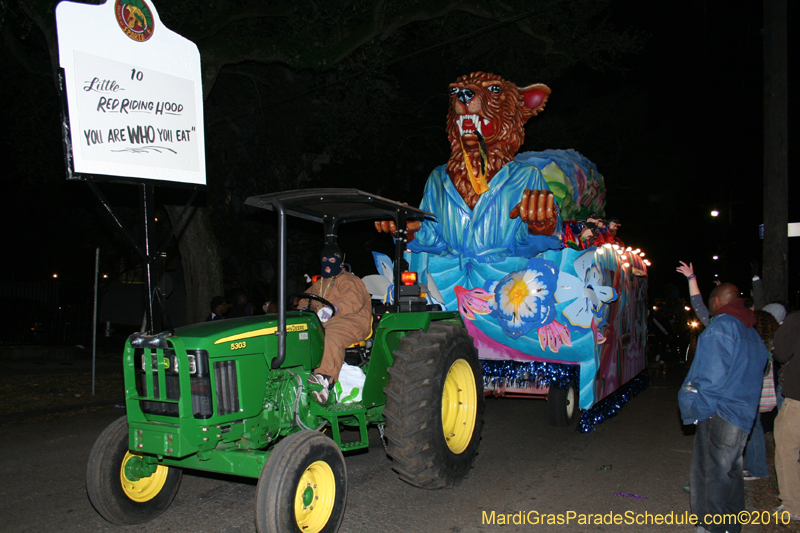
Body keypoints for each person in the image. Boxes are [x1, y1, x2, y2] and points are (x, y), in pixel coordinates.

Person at [678, 283, 768, 533]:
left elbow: (712, 379)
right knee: (731, 471)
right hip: (743, 413)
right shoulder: (749, 330)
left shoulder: (721, 328)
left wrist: (700, 410)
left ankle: (711, 527)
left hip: (720, 412)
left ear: (717, 301)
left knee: (709, 474)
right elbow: (763, 367)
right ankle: (730, 525)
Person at [297, 243, 372, 405]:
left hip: (352, 321)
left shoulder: (351, 280)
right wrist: (304, 308)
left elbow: (353, 300)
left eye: (332, 259)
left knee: (331, 334)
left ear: (340, 261)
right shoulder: (320, 284)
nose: (328, 263)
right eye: (325, 259)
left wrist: (334, 309)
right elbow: (305, 298)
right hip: (325, 322)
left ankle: (324, 379)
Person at [773, 310, 800, 521]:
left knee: (786, 446)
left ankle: (793, 505)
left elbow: (781, 353)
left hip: (798, 397)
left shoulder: (796, 319)